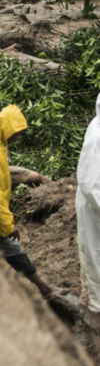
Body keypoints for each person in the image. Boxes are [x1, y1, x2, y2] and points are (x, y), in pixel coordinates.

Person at [0, 105, 62, 298]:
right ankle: (45, 289)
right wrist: (7, 224)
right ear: (6, 128)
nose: (19, 136)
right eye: (17, 132)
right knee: (12, 250)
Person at [76, 93, 100, 315]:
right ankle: (95, 309)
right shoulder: (98, 133)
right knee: (96, 258)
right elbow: (89, 182)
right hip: (95, 210)